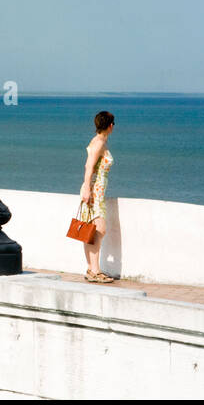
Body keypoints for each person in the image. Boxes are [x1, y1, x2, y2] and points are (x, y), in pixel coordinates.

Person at [79, 110, 116, 283]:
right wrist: (87, 189)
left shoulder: (99, 141)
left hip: (96, 189)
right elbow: (89, 166)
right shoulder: (99, 142)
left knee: (91, 231)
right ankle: (95, 270)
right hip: (95, 190)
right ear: (110, 126)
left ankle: (92, 269)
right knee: (99, 229)